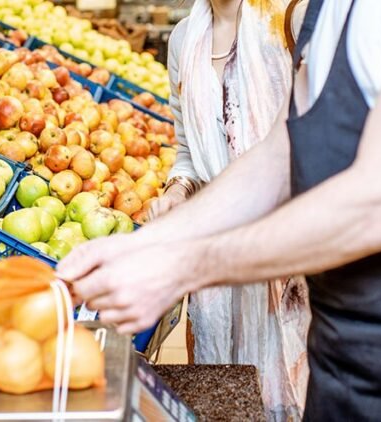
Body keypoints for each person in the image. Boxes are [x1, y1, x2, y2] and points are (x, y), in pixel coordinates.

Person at [57, 0, 381, 420]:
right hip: (341, 357)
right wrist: (141, 245)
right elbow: (280, 158)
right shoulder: (328, 8)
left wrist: (181, 265)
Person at [150, 0, 310, 419]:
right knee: (225, 398)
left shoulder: (289, 19)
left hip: (294, 260)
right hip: (216, 272)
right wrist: (177, 190)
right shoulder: (184, 39)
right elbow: (188, 149)